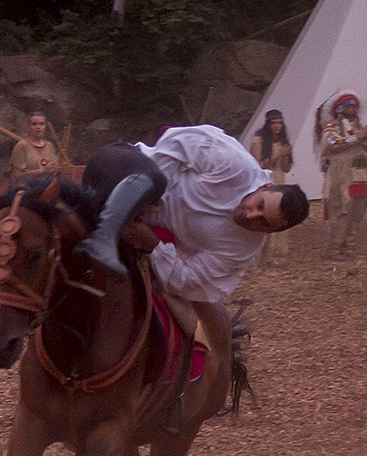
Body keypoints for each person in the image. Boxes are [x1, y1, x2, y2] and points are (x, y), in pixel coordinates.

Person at [77, 125, 310, 351]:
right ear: (265, 187)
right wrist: (148, 202)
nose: (250, 215)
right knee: (155, 179)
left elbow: (191, 280)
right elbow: (173, 144)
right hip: (119, 170)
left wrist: (154, 246)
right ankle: (103, 240)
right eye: (259, 204)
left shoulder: (241, 250)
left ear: (271, 233)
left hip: (144, 235)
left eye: (263, 222)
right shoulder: (235, 162)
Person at [317, 90, 367, 260]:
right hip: (341, 174)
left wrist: (361, 135)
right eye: (347, 107)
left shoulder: (360, 126)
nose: (351, 110)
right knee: (340, 211)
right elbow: (331, 143)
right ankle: (333, 249)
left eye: (353, 107)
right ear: (339, 109)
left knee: (357, 212)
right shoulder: (332, 127)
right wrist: (355, 138)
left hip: (361, 175)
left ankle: (349, 247)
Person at [249, 109, 294, 265]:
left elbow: (286, 168)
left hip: (279, 182)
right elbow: (256, 165)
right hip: (264, 184)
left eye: (279, 123)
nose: (277, 126)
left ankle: (272, 256)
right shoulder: (258, 140)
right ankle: (257, 258)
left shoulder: (282, 141)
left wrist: (286, 155)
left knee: (277, 217)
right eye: (274, 123)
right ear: (268, 124)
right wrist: (277, 154)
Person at [7, 111, 59, 186]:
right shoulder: (22, 146)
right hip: (27, 187)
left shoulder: (49, 146)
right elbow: (15, 175)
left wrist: (53, 168)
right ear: (28, 127)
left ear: (45, 127)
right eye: (34, 124)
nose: (38, 127)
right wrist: (39, 171)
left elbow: (55, 168)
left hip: (48, 185)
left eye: (41, 124)